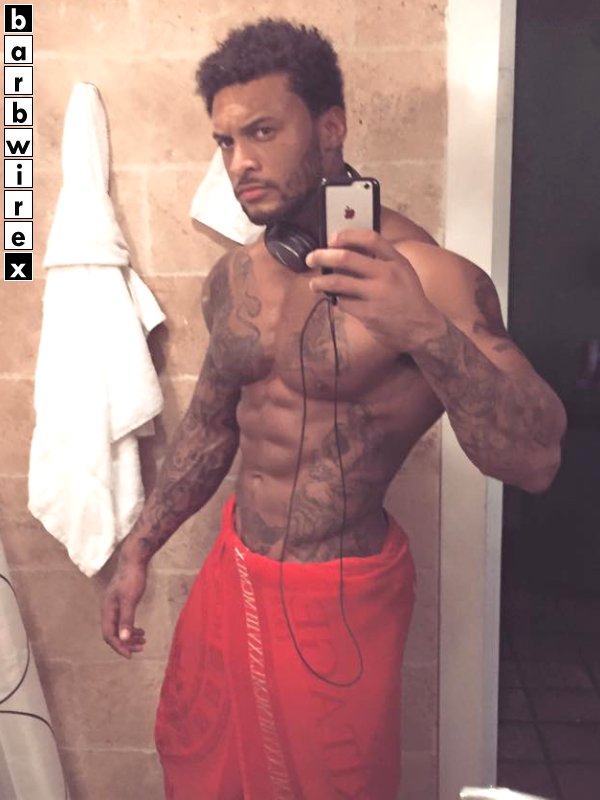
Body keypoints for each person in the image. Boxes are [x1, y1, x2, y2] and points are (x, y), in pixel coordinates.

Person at [101, 18, 567, 800]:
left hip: (340, 603)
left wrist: (422, 329)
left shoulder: (431, 277)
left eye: (262, 132)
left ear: (330, 128)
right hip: (232, 576)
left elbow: (536, 460)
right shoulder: (235, 280)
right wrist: (139, 549)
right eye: (225, 142)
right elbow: (211, 427)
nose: (240, 163)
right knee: (200, 767)